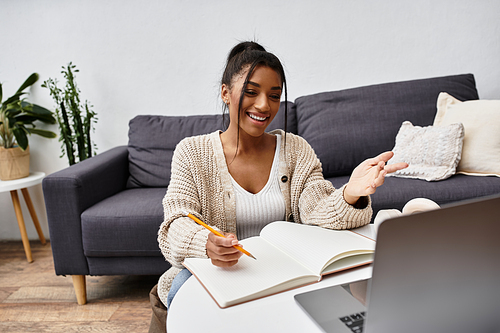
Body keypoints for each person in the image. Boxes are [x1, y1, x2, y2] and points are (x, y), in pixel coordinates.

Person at [148, 41, 408, 332]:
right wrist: (206, 244)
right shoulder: (192, 152)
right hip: (217, 276)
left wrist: (351, 193)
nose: (264, 105)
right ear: (225, 93)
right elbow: (175, 224)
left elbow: (318, 209)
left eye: (274, 95)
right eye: (251, 92)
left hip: (283, 278)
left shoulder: (296, 150)